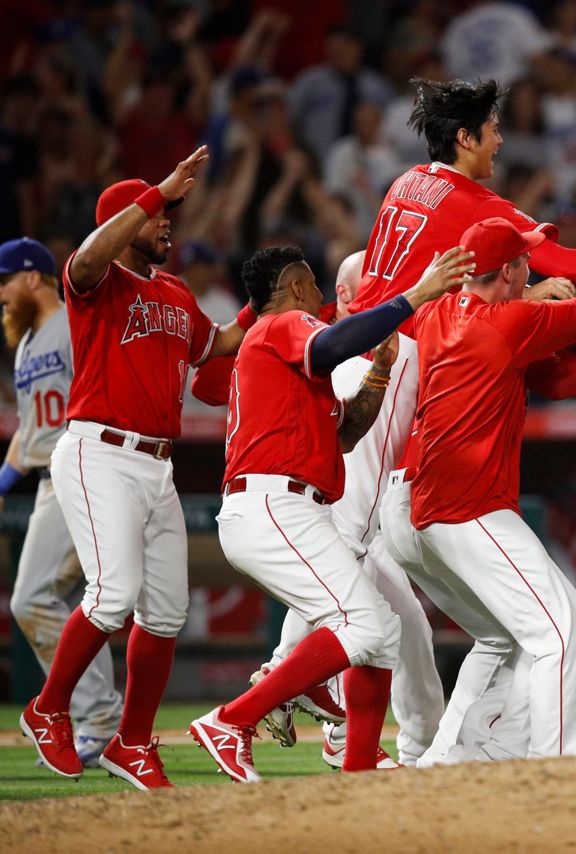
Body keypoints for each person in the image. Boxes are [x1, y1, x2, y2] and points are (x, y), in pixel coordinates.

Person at [188, 243, 472, 783]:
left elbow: (345, 435)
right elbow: (331, 344)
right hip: (272, 503)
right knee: (364, 622)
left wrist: (380, 373)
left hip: (292, 505)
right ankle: (235, 718)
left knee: (382, 629)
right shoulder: (279, 326)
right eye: (315, 287)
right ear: (295, 287)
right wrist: (418, 294)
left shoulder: (296, 370)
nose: (319, 300)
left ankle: (358, 761)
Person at [20, 147, 256, 789]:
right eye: (156, 215)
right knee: (111, 594)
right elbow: (90, 257)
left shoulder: (175, 292)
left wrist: (258, 304)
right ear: (126, 217)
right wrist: (155, 191)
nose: (166, 222)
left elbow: (220, 349)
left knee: (166, 612)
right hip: (98, 451)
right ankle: (47, 710)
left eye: (169, 213)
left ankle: (132, 742)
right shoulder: (96, 281)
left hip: (157, 466)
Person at [404, 217, 576, 758]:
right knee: (554, 632)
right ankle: (552, 769)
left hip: (436, 503)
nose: (532, 263)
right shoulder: (507, 323)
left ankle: (473, 751)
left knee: (564, 618)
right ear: (507, 271)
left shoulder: (436, 313)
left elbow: (539, 360)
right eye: (524, 260)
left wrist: (532, 295)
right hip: (467, 507)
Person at [247, 251, 447, 769]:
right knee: (361, 621)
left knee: (404, 629)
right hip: (337, 522)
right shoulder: (342, 355)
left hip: (361, 527)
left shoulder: (394, 348)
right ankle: (280, 684)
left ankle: (390, 744)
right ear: (349, 296)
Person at [347, 78, 576, 319]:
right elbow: (558, 262)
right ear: (465, 138)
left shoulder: (404, 182)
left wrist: (527, 292)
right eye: (494, 130)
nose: (499, 142)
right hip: (397, 354)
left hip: (359, 333)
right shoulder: (475, 203)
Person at [1, 237, 122, 768]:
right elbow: (29, 432)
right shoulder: (26, 344)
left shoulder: (74, 319)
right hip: (53, 475)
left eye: (5, 282)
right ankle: (96, 717)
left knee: (34, 599)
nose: (1, 295)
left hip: (84, 467)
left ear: (31, 277)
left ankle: (98, 718)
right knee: (53, 600)